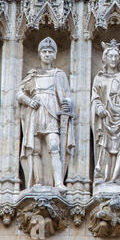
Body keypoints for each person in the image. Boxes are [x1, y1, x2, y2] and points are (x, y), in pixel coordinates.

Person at [17, 37, 74, 191]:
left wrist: (68, 105)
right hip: (35, 115)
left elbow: (66, 96)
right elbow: (19, 93)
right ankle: (37, 182)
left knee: (54, 145)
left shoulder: (58, 74)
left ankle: (58, 182)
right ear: (39, 54)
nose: (47, 54)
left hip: (51, 114)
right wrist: (29, 102)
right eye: (44, 51)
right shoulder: (33, 75)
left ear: (54, 55)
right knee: (35, 149)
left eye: (50, 52)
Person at [91, 39, 120, 186]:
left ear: (119, 59)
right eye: (110, 56)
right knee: (104, 146)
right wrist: (98, 107)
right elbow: (95, 97)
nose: (113, 59)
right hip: (106, 118)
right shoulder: (99, 78)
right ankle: (104, 177)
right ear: (105, 58)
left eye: (115, 57)